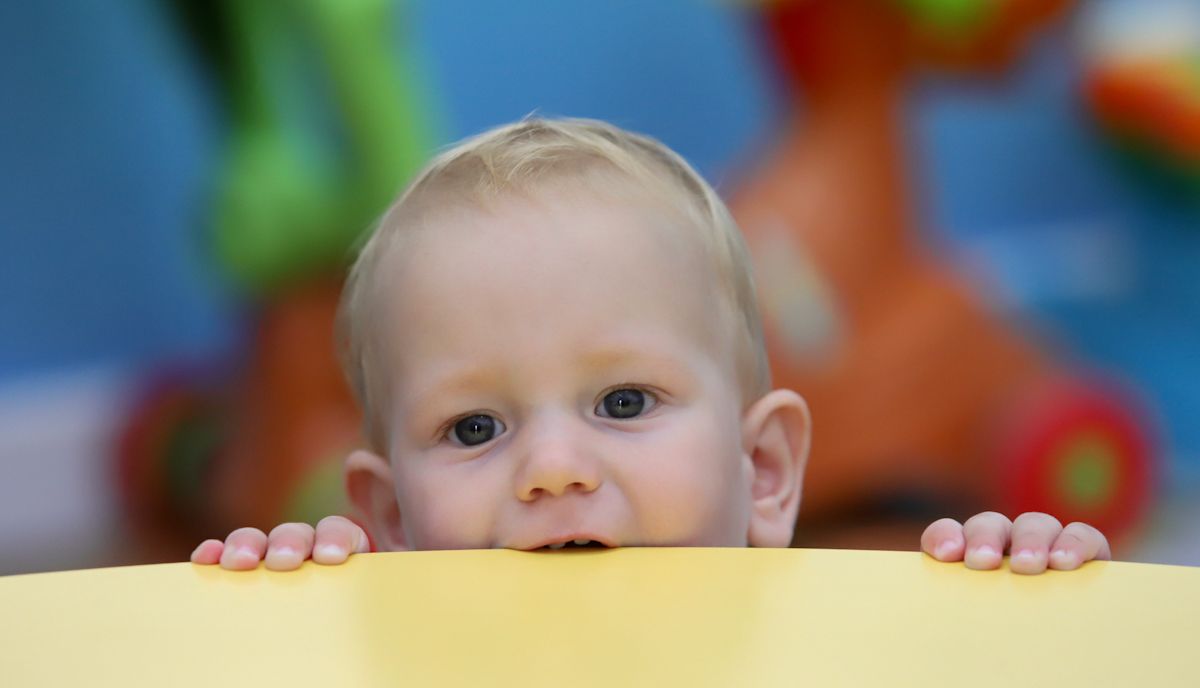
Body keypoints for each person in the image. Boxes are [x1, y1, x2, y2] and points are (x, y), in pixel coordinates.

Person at [191, 117, 1110, 574]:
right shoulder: (386, 674)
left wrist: (1003, 616)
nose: (551, 469)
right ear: (391, 520)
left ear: (763, 470)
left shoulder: (819, 648)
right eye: (473, 427)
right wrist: (308, 639)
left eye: (623, 403)